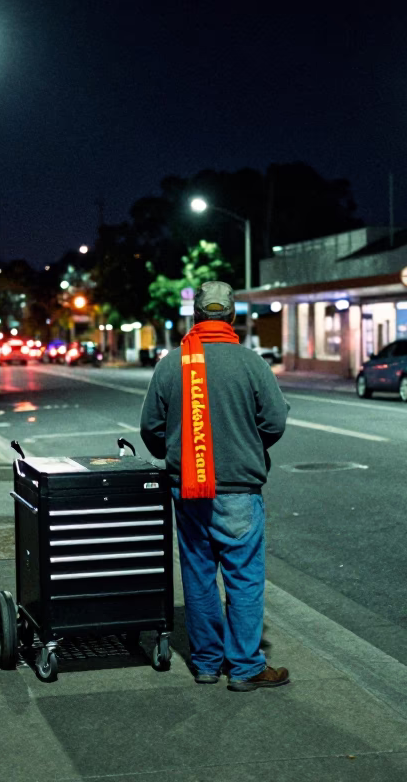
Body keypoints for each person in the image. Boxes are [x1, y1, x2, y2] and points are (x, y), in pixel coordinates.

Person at [140, 281, 291, 691]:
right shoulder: (251, 363)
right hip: (240, 489)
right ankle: (244, 667)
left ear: (196, 317)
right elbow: (275, 422)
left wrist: (179, 453)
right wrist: (248, 445)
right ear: (232, 317)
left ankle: (207, 663)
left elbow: (150, 430)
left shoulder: (173, 363)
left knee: (198, 575)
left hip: (188, 488)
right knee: (243, 578)